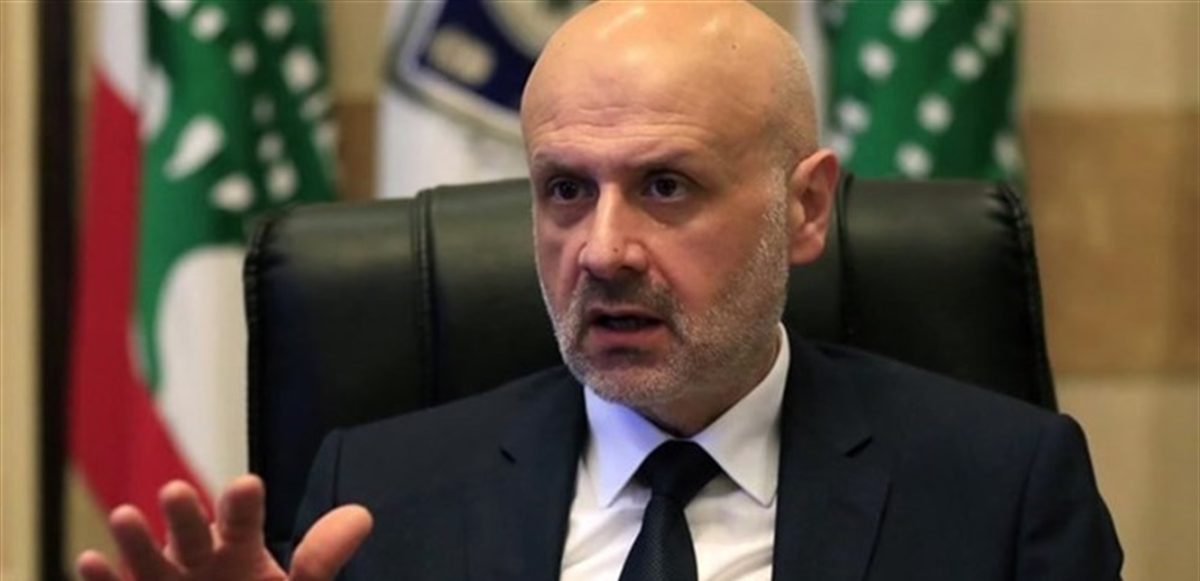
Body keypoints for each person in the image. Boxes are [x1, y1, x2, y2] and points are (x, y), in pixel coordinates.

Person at [77, 2, 1122, 580]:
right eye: (566, 190)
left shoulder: (1001, 489)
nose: (603, 250)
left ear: (805, 208)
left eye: (666, 186)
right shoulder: (380, 498)